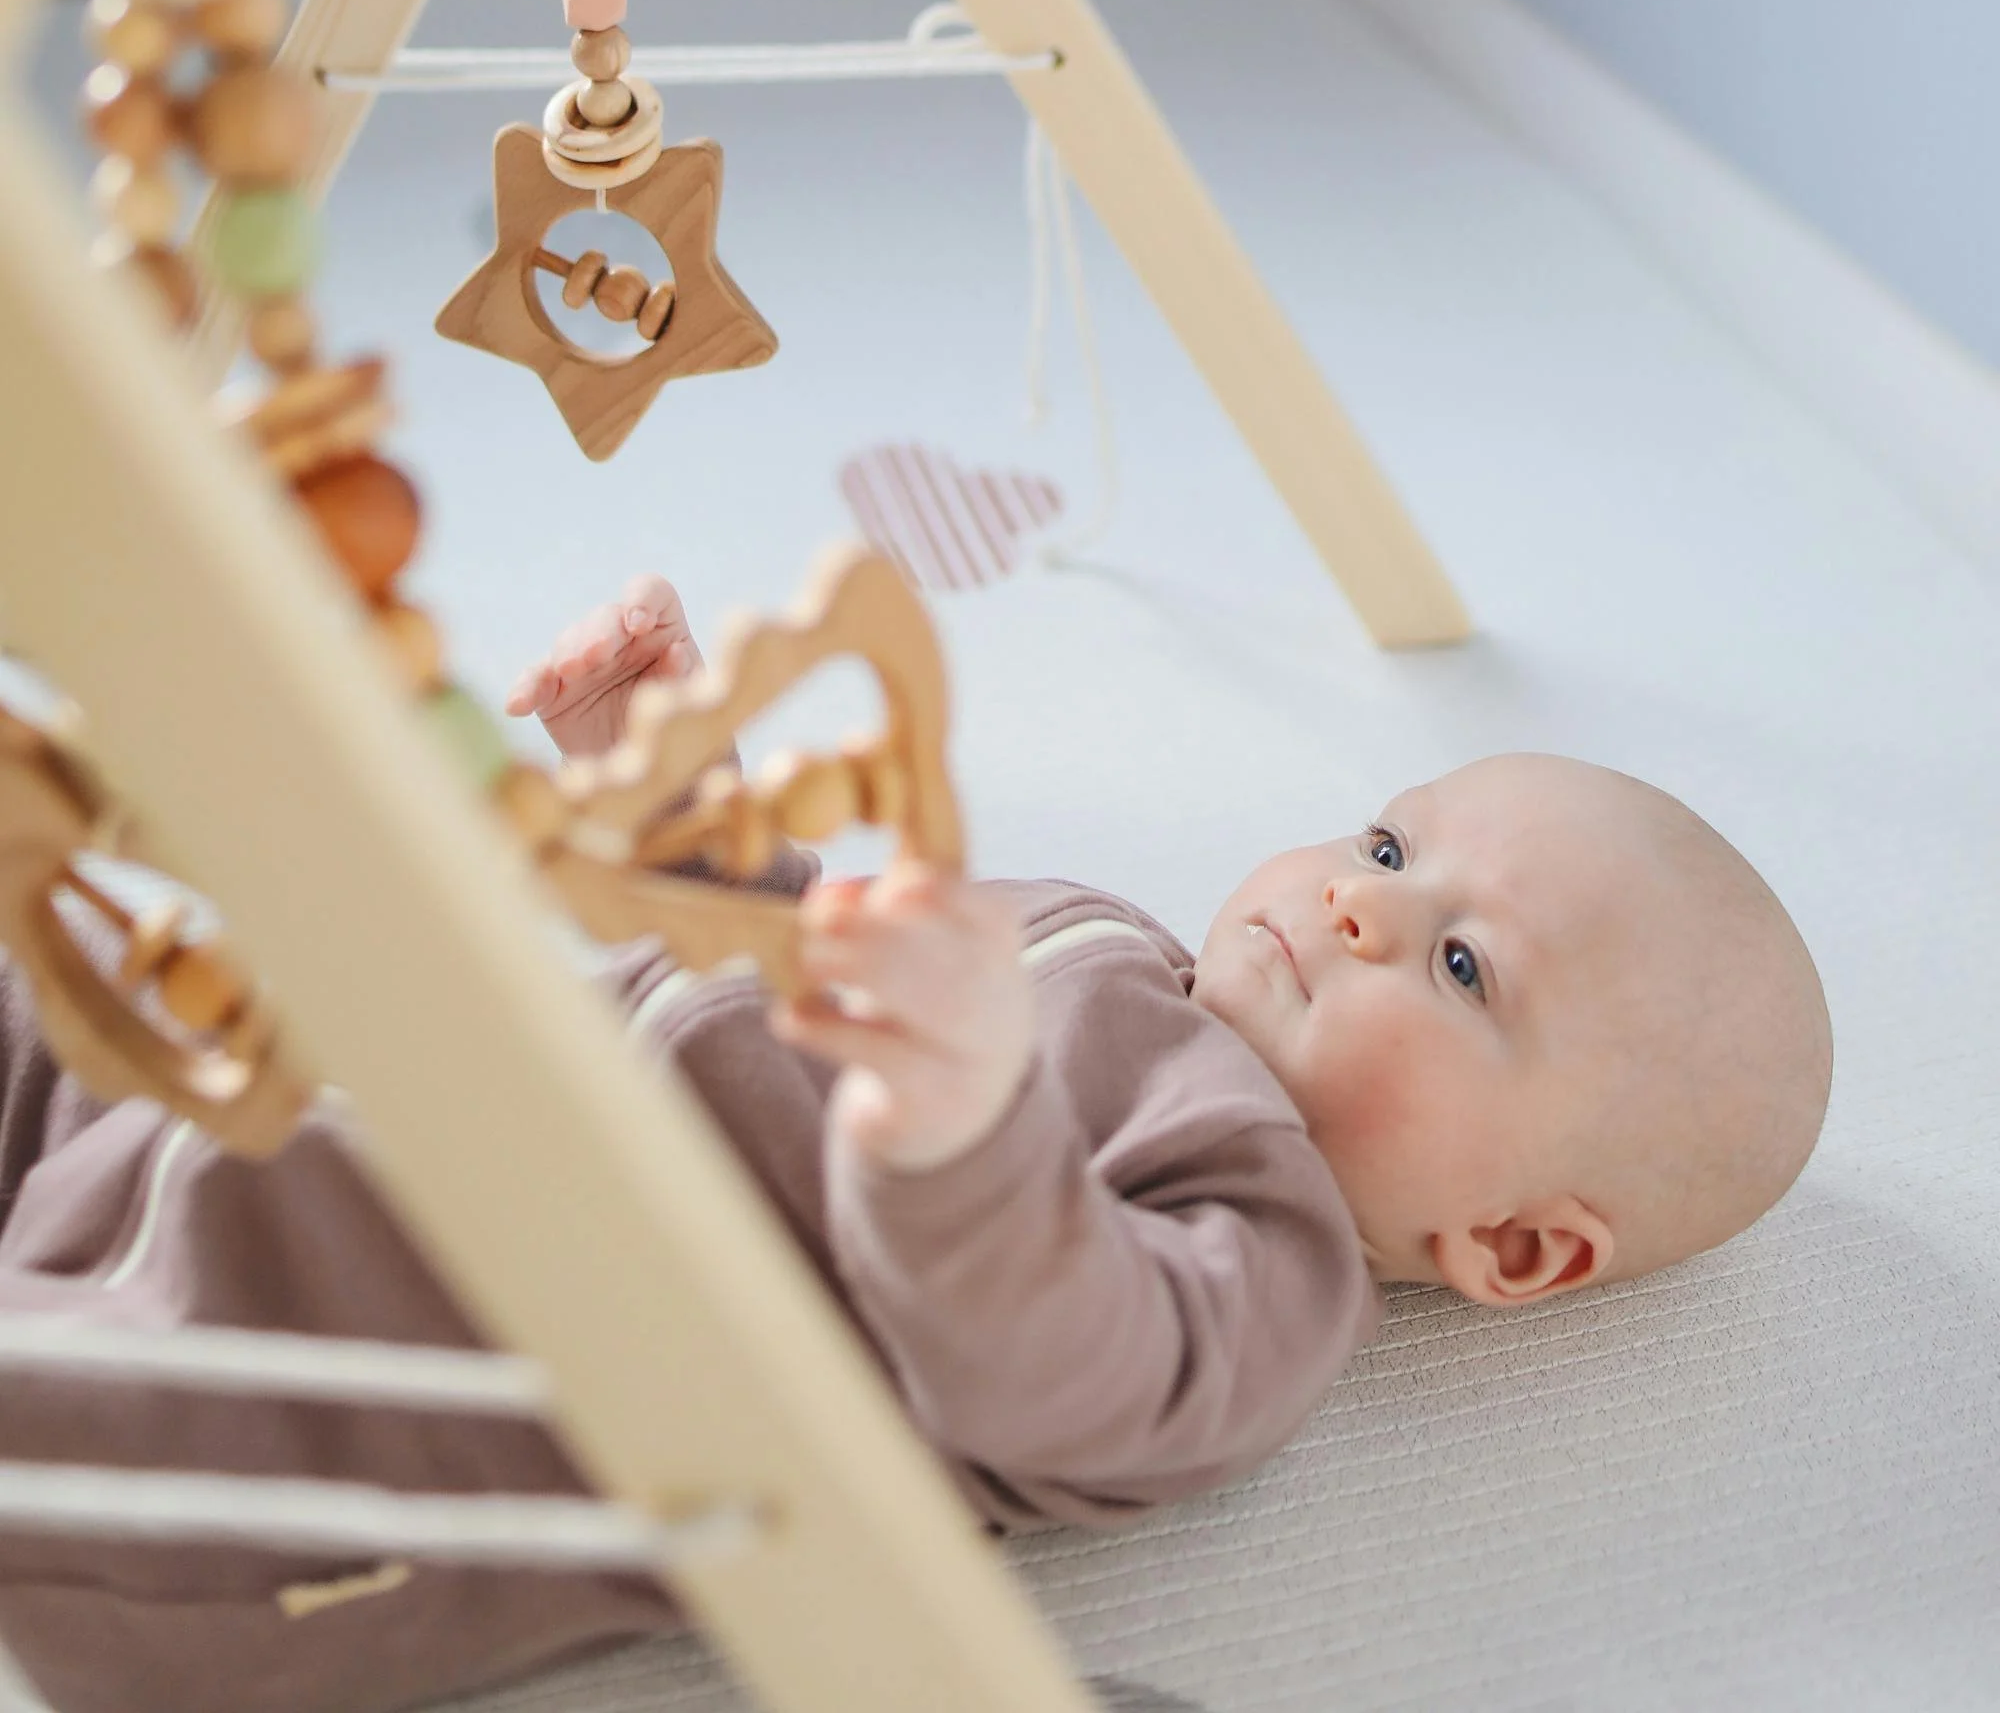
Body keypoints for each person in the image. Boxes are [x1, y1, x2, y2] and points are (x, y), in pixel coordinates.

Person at [0, 576, 1831, 1713]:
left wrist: (956, 1133)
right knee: (54, 949)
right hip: (266, 1101)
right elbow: (801, 931)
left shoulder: (1263, 1274)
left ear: (1514, 1246)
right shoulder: (1102, 929)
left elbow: (1056, 1370)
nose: (1360, 909)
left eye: (1455, 964)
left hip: (315, 1404)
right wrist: (690, 818)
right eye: (1381, 844)